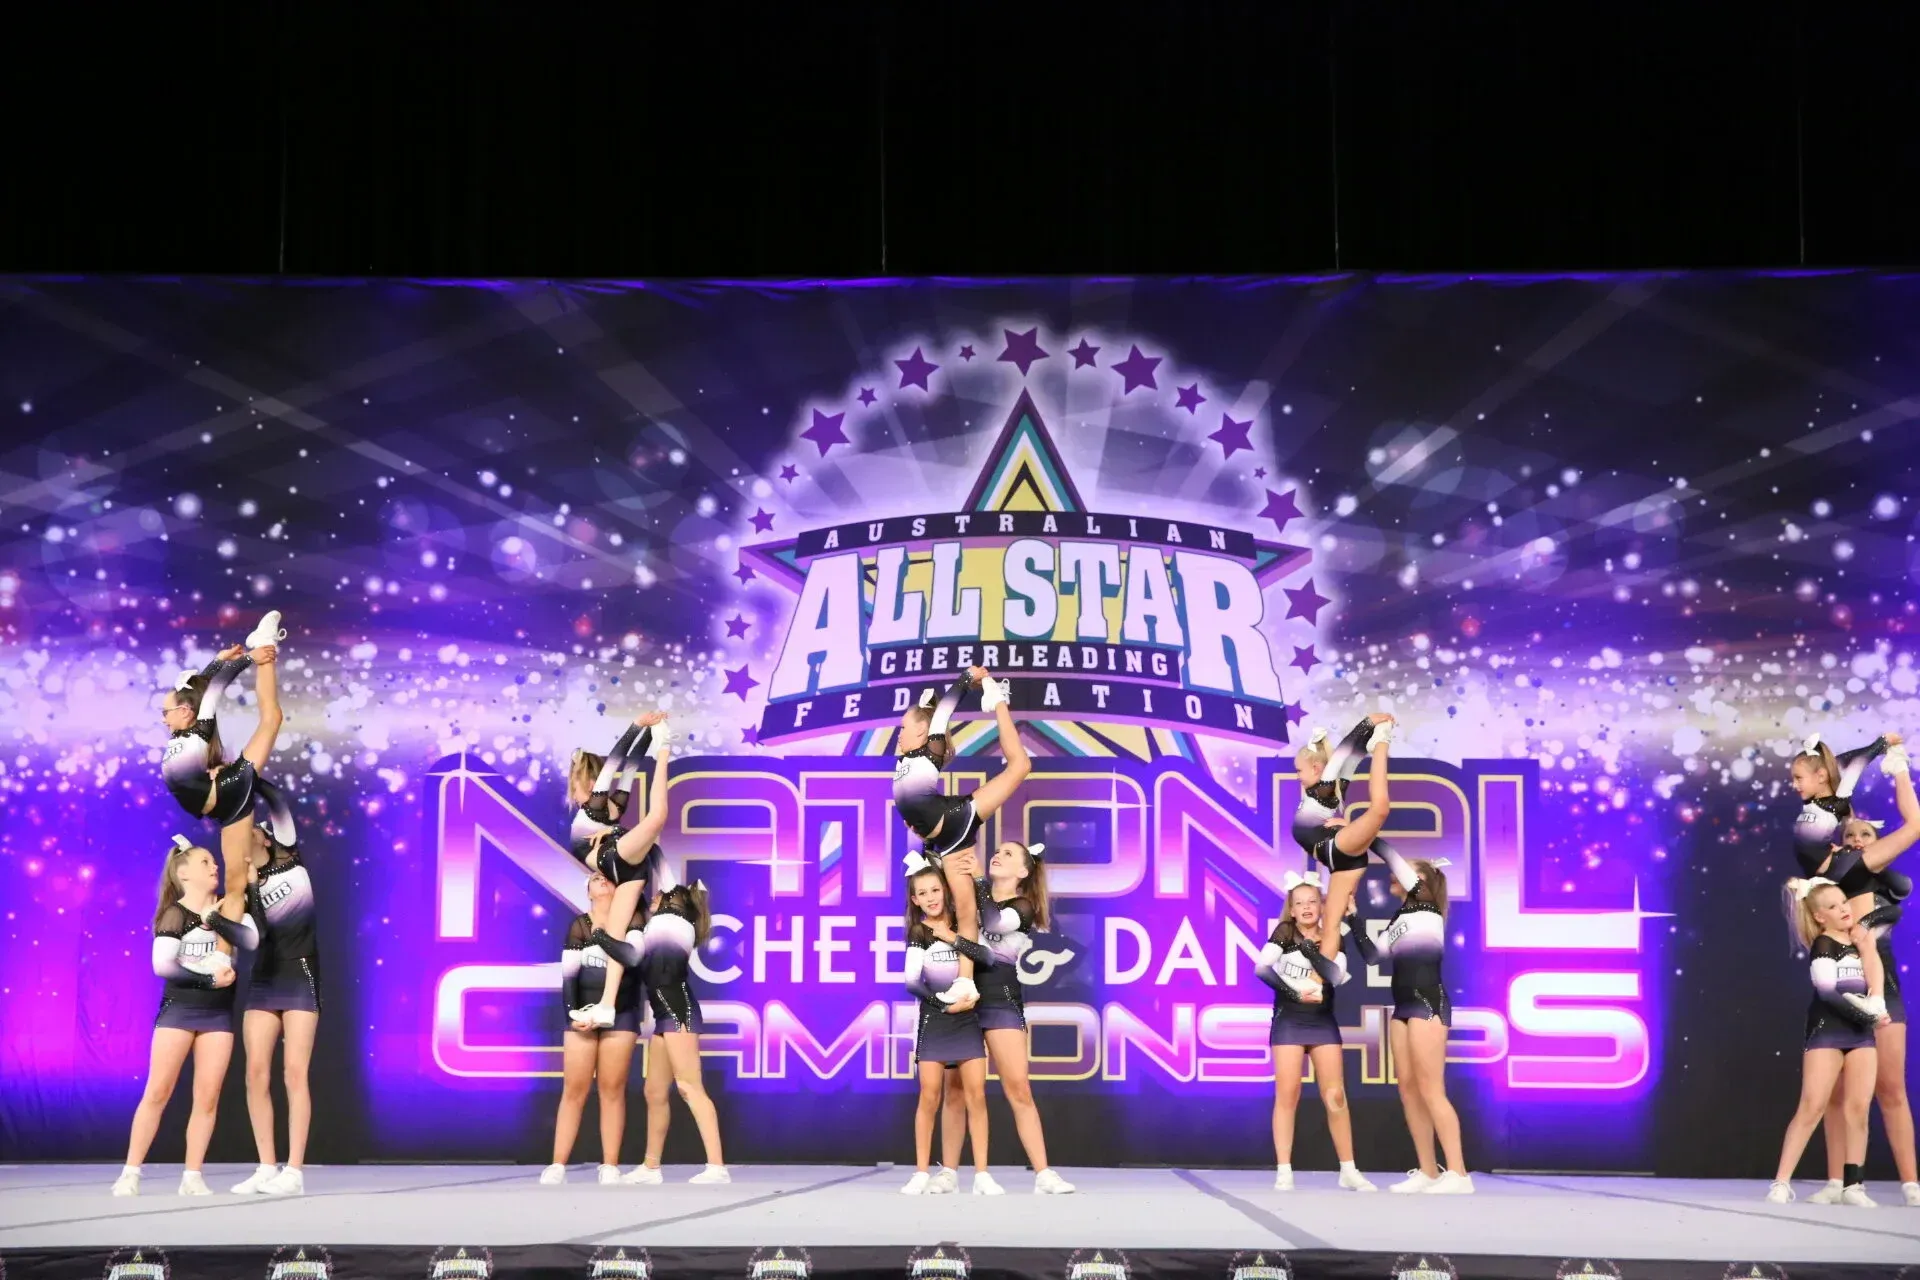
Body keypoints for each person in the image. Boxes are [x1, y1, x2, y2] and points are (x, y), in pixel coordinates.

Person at [112, 837, 259, 1197]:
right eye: (206, 862)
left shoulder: (231, 908)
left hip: (217, 1016)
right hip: (179, 1011)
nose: (215, 867)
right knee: (158, 1092)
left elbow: (251, 941)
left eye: (214, 862)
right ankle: (131, 1172)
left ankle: (192, 1175)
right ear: (183, 873)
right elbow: (162, 965)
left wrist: (216, 920)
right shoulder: (174, 913)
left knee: (207, 1098)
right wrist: (207, 978)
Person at [931, 840, 1077, 1194]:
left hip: (1000, 999)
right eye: (997, 851)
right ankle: (949, 1170)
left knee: (1018, 1088)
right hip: (964, 995)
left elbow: (994, 924)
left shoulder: (1022, 907)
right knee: (955, 1090)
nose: (998, 855)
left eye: (1008, 854)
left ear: (1023, 872)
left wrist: (979, 879)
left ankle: (1043, 1173)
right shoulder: (968, 896)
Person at [893, 667, 1032, 1007]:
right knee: (967, 915)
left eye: (902, 729)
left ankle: (997, 699)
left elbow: (943, 711)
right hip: (945, 840)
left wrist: (967, 680)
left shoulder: (931, 749)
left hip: (956, 817)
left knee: (1020, 766)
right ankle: (965, 983)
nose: (897, 735)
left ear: (922, 731)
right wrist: (926, 838)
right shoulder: (905, 758)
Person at [1807, 818, 1919, 1207]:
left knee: (1891, 1089)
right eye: (1849, 836)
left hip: (1883, 993)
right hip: (1842, 999)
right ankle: (1837, 1181)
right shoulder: (1831, 894)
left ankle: (1911, 1183)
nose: (1855, 840)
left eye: (1865, 836)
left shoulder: (1883, 885)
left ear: (1877, 845)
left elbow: (1893, 911)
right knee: (1837, 1094)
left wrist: (1866, 924)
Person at [1352, 857, 1473, 1194]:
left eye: (1407, 871)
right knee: (1407, 1089)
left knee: (1432, 1088)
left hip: (1428, 1002)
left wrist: (1365, 833)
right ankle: (1427, 1171)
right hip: (1403, 1006)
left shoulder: (1427, 907)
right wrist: (1352, 918)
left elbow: (1393, 858)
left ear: (1421, 881)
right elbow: (1374, 956)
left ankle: (1459, 1174)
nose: (1396, 872)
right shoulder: (1400, 918)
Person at [160, 613, 292, 920]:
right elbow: (200, 689)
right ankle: (222, 960)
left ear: (184, 711)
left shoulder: (198, 729)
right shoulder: (182, 733)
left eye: (165, 712)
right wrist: (218, 661)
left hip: (229, 790)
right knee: (235, 886)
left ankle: (266, 647)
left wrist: (251, 658)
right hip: (225, 807)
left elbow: (213, 690)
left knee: (272, 719)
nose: (163, 718)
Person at [1768, 877, 1890, 1207]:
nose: (1844, 909)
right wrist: (1867, 1013)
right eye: (1834, 906)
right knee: (1812, 1105)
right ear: (1820, 916)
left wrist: (1876, 1002)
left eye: (1844, 902)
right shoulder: (1824, 944)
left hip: (1860, 1034)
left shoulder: (1859, 941)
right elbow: (1827, 991)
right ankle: (1781, 1182)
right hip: (1828, 1029)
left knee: (1858, 1109)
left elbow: (1891, 912)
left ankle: (1854, 1186)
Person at [1255, 871, 1376, 1192]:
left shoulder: (1334, 935)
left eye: (1313, 901)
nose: (1307, 908)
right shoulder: (1284, 932)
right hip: (1289, 1021)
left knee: (1335, 1096)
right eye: (1300, 903)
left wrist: (1316, 949)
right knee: (1288, 1095)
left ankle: (1348, 1169)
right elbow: (1261, 968)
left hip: (1322, 1022)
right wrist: (1294, 993)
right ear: (1291, 909)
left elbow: (1336, 977)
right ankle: (1284, 1170)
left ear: (1323, 906)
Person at [566, 712, 674, 1029]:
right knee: (616, 935)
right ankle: (606, 1007)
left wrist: (641, 728)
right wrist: (645, 731)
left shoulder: (599, 804)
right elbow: (627, 766)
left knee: (617, 935)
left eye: (575, 787)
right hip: (616, 862)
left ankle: (666, 746)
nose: (574, 796)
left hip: (616, 862)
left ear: (586, 782)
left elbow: (619, 763)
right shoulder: (609, 806)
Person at [540, 871, 647, 1185]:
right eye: (594, 878)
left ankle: (610, 1165)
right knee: (574, 1090)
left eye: (607, 878)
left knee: (612, 1090)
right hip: (582, 1015)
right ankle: (558, 1164)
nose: (601, 879)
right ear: (587, 892)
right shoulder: (579, 925)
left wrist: (604, 935)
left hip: (621, 1013)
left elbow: (633, 958)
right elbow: (569, 977)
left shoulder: (634, 921)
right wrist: (573, 1016)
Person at [899, 860, 998, 1196]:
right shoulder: (918, 933)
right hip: (936, 1019)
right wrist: (944, 1004)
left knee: (976, 1096)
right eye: (922, 893)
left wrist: (951, 936)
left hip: (968, 1019)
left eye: (935, 890)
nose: (930, 898)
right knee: (929, 1096)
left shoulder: (962, 925)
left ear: (945, 890)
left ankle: (982, 1174)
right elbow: (912, 982)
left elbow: (987, 959)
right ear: (914, 900)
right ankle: (921, 1172)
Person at [232, 827, 320, 1197]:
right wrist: (250, 887)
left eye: (255, 826)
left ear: (268, 839)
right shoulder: (242, 883)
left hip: (299, 974)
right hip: (264, 980)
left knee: (294, 1073)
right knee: (255, 1074)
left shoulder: (293, 865)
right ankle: (267, 1166)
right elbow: (257, 936)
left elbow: (276, 805)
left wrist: (246, 781)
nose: (247, 829)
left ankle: (294, 1171)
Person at [625, 882, 729, 1184]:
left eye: (661, 896)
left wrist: (602, 937)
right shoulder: (659, 926)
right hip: (663, 1013)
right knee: (654, 1091)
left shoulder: (674, 923)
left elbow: (632, 956)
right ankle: (651, 1167)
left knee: (689, 1087)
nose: (653, 899)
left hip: (678, 1011)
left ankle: (717, 1167)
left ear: (675, 903)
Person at [1291, 714, 1397, 965]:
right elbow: (1350, 762)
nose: (1297, 776)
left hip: (1335, 847)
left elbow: (1340, 756)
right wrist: (1359, 744)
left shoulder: (1322, 792)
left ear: (1316, 769)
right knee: (1330, 927)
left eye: (1299, 771)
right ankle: (1317, 985)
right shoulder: (1326, 790)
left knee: (1380, 809)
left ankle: (1383, 741)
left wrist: (1368, 723)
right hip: (1340, 862)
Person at [1790, 732, 1914, 918]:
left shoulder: (1835, 802)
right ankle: (1897, 762)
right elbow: (1842, 761)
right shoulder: (1816, 794)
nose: (1794, 784)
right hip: (1836, 869)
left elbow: (1856, 763)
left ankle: (1899, 765)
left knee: (1916, 825)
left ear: (1821, 776)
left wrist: (1882, 743)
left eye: (1798, 778)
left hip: (1844, 867)